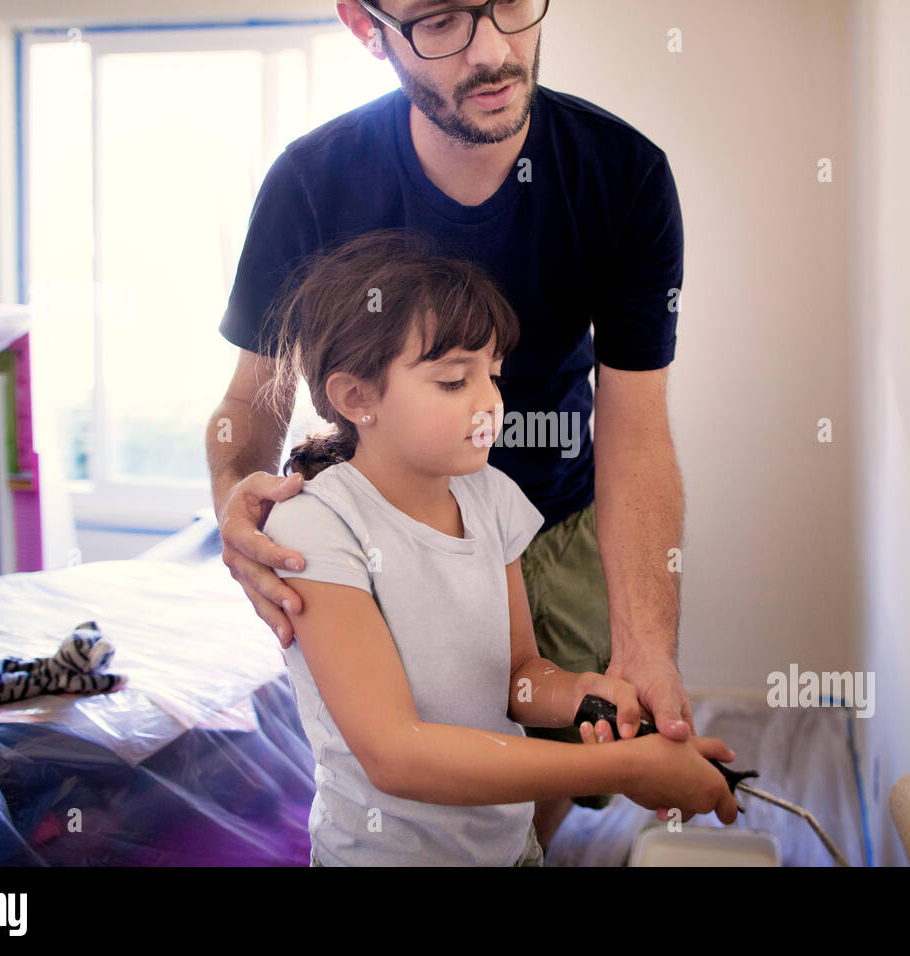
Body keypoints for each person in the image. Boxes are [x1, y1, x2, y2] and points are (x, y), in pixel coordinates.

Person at [207, 0, 694, 851]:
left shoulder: (623, 175)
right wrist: (230, 504)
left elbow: (637, 436)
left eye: (511, 2)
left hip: (555, 514)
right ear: (366, 27)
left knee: (533, 777)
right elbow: (250, 404)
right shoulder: (314, 183)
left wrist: (643, 649)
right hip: (379, 530)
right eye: (439, 20)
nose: (496, 50)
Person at [255, 228, 736, 865]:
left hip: (509, 850)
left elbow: (517, 679)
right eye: (455, 381)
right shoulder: (317, 527)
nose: (489, 401)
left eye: (494, 375)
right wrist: (620, 768)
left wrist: (583, 694)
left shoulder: (490, 495)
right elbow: (394, 754)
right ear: (357, 398)